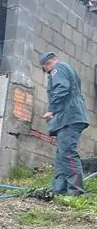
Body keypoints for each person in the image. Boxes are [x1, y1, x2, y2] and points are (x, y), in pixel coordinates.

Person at [40, 51, 88, 196]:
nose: (47, 73)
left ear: (47, 64)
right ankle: (59, 189)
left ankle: (76, 191)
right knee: (61, 155)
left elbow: (62, 89)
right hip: (70, 117)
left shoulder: (57, 69)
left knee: (67, 153)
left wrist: (51, 110)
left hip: (70, 117)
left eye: (45, 69)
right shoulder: (67, 68)